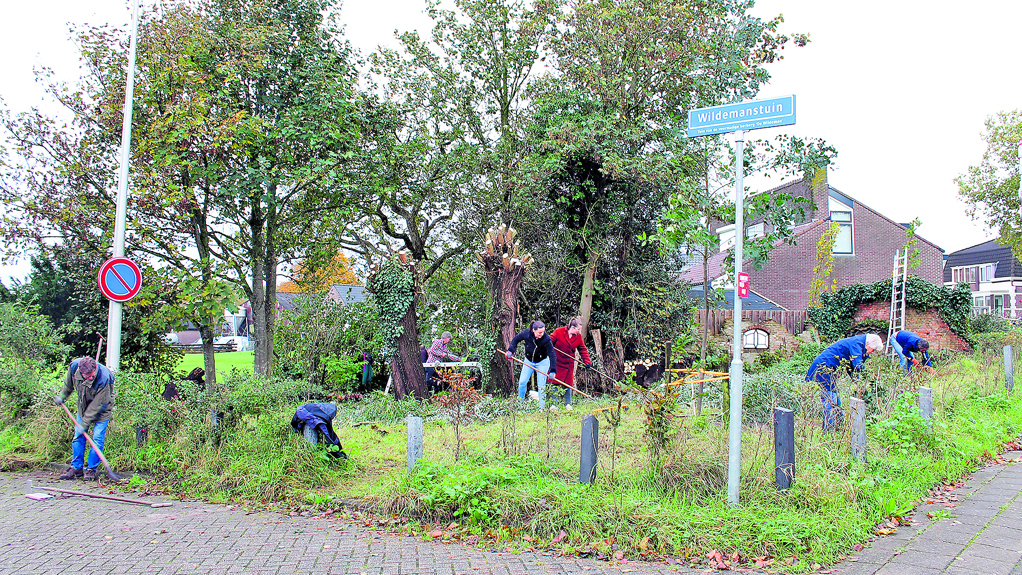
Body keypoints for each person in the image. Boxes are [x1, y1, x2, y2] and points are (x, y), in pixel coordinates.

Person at [54, 357, 115, 481]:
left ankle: (91, 469)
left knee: (97, 438)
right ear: (81, 372)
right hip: (83, 407)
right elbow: (68, 385)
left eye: (92, 375)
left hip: (102, 408)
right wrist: (62, 396)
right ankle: (76, 467)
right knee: (78, 436)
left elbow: (97, 405)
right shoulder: (74, 367)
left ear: (95, 368)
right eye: (88, 376)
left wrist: (84, 423)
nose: (91, 378)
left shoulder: (104, 377)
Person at [805, 334, 883, 431]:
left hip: (828, 370)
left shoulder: (859, 344)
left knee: (836, 400)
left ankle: (840, 428)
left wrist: (858, 382)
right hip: (823, 369)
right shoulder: (857, 344)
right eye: (873, 350)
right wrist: (870, 375)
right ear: (868, 344)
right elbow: (857, 365)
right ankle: (829, 432)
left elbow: (850, 367)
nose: (872, 353)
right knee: (830, 401)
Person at [506, 320, 558, 409]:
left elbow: (552, 355)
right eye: (539, 332)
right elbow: (516, 339)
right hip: (529, 361)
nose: (542, 334)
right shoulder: (526, 333)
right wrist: (510, 350)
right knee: (522, 382)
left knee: (541, 385)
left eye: (543, 332)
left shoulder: (546, 339)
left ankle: (542, 408)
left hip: (542, 362)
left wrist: (553, 370)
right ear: (534, 330)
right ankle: (520, 404)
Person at [548, 317, 592, 411]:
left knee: (568, 384)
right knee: (555, 382)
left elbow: (583, 349)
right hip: (557, 362)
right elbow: (549, 342)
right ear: (572, 328)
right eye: (578, 329)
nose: (579, 332)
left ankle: (568, 404)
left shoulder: (578, 337)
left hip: (569, 364)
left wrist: (587, 361)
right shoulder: (558, 332)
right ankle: (553, 404)